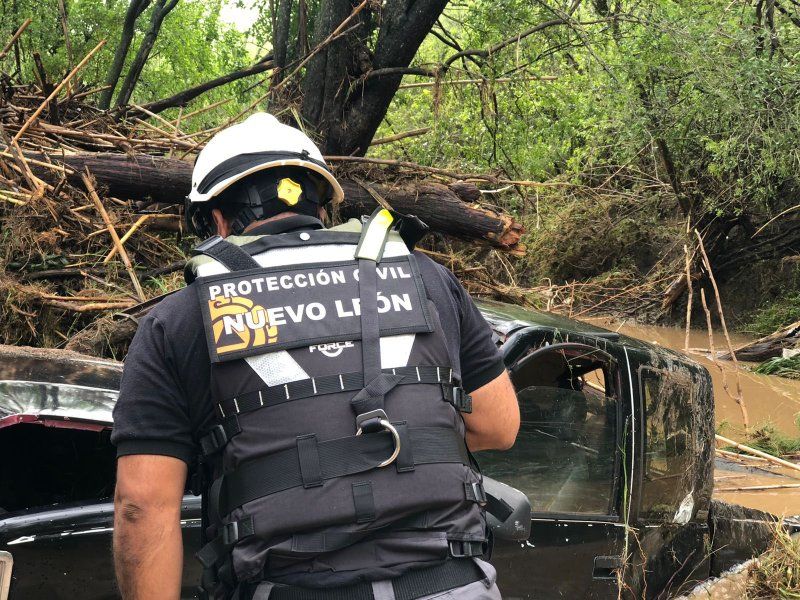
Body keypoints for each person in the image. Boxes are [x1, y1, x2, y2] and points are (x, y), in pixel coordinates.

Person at [111, 113, 520, 600]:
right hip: (454, 586)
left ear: (216, 220)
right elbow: (499, 425)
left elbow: (143, 505)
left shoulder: (178, 320)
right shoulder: (427, 279)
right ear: (322, 205)